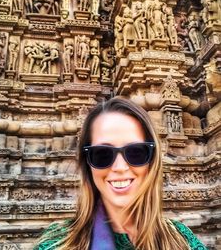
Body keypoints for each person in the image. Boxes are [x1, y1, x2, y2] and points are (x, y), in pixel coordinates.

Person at [34, 97, 208, 250]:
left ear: (152, 160)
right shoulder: (56, 244)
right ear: (88, 163)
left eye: (136, 152)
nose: (120, 167)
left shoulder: (181, 240)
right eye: (102, 154)